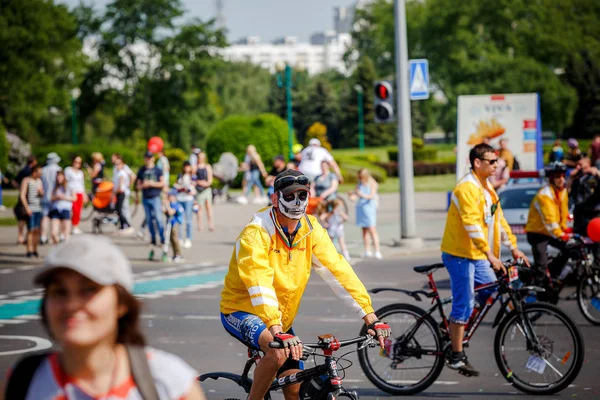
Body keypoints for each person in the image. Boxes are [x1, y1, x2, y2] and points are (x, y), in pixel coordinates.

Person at [219, 169, 391, 400]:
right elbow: (259, 282)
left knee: (295, 388)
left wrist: (371, 317)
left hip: (280, 319)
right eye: (289, 196)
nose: (296, 202)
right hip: (242, 309)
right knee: (276, 354)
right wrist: (276, 329)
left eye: (302, 195)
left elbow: (337, 270)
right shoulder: (257, 232)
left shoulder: (311, 228)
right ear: (274, 199)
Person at [2, 235, 206, 399]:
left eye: (88, 290)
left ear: (122, 304)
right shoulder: (24, 381)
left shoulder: (170, 384)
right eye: (59, 291)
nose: (72, 305)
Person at [440, 143, 529, 376]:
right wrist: (489, 254)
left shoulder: (487, 187)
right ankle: (456, 355)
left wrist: (514, 248)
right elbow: (472, 225)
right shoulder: (466, 188)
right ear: (477, 163)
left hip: (477, 254)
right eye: (491, 161)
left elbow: (498, 220)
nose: (497, 165)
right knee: (465, 303)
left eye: (496, 160)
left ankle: (456, 327)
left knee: (491, 291)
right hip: (460, 255)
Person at [525, 162, 572, 292]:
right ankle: (534, 292)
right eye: (558, 177)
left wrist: (565, 229)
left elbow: (563, 213)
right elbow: (549, 221)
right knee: (541, 265)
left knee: (570, 248)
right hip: (537, 233)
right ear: (551, 179)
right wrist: (561, 234)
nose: (561, 179)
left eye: (563, 176)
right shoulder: (544, 195)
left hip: (551, 232)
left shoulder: (562, 191)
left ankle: (552, 274)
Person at [569, 157, 600, 267]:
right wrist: (571, 178)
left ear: (588, 165)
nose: (578, 167)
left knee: (597, 248)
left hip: (593, 216)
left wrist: (597, 173)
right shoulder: (577, 179)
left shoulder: (594, 177)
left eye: (580, 165)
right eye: (577, 165)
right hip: (580, 217)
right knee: (579, 247)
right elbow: (568, 193)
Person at [136, 151, 165, 260]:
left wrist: (152, 183)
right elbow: (137, 185)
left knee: (158, 218)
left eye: (150, 157)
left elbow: (162, 183)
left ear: (153, 158)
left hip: (155, 197)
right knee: (149, 220)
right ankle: (153, 239)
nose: (148, 159)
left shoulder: (157, 170)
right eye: (146, 157)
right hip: (145, 197)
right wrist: (143, 185)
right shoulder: (141, 170)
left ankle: (162, 239)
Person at [349, 168, 382, 259]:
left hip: (369, 208)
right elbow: (355, 196)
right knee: (364, 231)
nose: (360, 179)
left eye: (362, 177)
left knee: (372, 230)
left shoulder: (371, 183)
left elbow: (371, 196)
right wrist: (352, 196)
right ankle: (367, 250)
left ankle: (377, 251)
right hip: (361, 208)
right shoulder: (359, 184)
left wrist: (360, 194)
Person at [20, 165, 43, 258]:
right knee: (31, 229)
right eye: (39, 172)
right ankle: (29, 250)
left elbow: (41, 194)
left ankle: (35, 249)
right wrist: (27, 208)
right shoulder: (26, 180)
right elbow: (22, 195)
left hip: (38, 208)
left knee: (37, 230)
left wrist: (41, 192)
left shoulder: (39, 181)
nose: (40, 174)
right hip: (30, 208)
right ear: (34, 172)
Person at [13, 155, 37, 245]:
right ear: (33, 162)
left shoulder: (23, 170)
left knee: (22, 218)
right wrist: (22, 188)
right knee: (26, 217)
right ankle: (26, 237)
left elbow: (14, 181)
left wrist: (19, 188)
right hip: (28, 197)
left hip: (24, 196)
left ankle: (20, 236)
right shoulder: (29, 171)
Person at [40, 152, 62, 245]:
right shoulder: (58, 169)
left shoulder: (43, 170)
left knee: (45, 217)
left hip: (45, 196)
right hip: (55, 197)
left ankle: (43, 236)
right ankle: (55, 235)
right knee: (55, 218)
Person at [49, 170, 75, 244]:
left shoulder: (69, 186)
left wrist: (64, 197)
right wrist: (56, 197)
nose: (58, 178)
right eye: (57, 177)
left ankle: (65, 251)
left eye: (60, 177)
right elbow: (50, 198)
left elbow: (74, 198)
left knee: (66, 234)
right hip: (56, 209)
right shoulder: (54, 186)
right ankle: (58, 247)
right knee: (54, 233)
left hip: (66, 209)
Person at [175, 161, 196, 248]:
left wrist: (187, 190)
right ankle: (179, 238)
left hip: (188, 199)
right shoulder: (180, 175)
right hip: (180, 198)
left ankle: (188, 238)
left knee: (188, 220)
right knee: (180, 219)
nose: (186, 168)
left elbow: (193, 188)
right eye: (185, 166)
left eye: (188, 166)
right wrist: (180, 188)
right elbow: (176, 186)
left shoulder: (192, 176)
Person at [65, 156, 87, 235]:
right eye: (76, 162)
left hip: (79, 192)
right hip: (71, 193)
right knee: (73, 210)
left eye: (79, 162)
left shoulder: (80, 173)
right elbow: (66, 182)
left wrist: (84, 194)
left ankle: (76, 226)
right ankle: (70, 226)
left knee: (78, 211)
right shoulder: (68, 170)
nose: (77, 164)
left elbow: (82, 184)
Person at [114, 156, 134, 235]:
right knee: (120, 210)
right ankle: (122, 227)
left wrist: (115, 192)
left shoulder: (122, 173)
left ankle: (128, 225)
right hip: (120, 192)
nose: (117, 166)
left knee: (121, 210)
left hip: (121, 192)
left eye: (118, 164)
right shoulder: (118, 172)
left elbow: (120, 185)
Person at [194, 152, 214, 231]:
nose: (201, 159)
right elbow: (193, 179)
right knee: (200, 208)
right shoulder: (195, 167)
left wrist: (206, 183)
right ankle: (200, 225)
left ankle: (210, 224)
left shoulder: (207, 167)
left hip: (206, 189)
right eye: (199, 157)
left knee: (208, 207)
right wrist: (199, 182)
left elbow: (210, 179)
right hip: (199, 189)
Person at [165, 189, 185, 263]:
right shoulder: (170, 204)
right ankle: (174, 254)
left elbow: (171, 212)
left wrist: (167, 206)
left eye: (170, 196)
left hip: (174, 223)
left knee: (175, 239)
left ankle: (179, 254)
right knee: (171, 240)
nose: (168, 197)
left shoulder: (176, 204)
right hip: (169, 223)